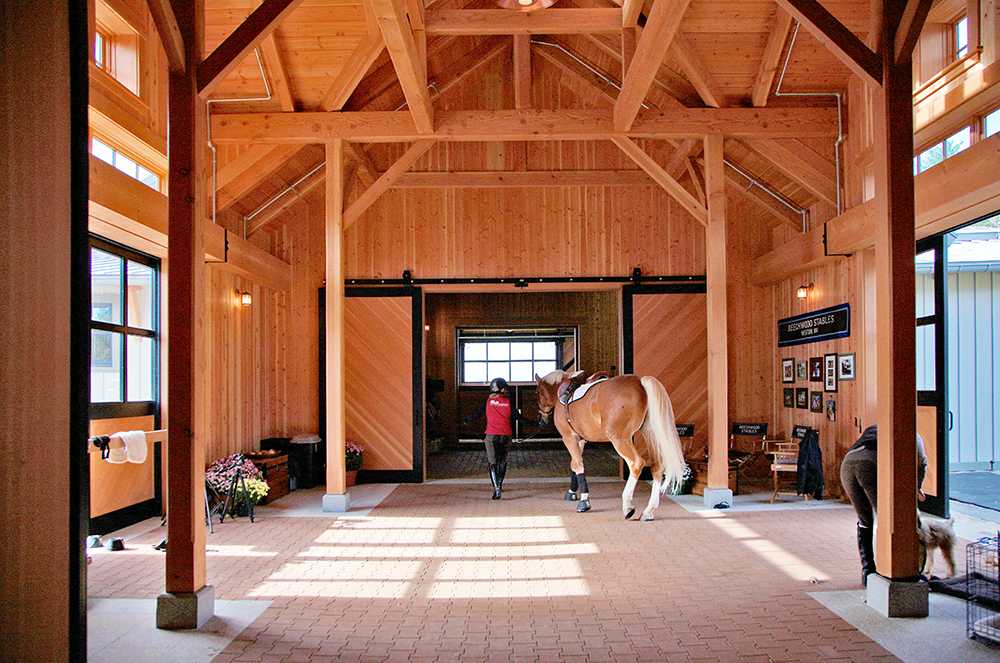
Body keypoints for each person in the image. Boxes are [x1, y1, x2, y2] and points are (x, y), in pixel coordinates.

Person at [840, 424, 928, 586]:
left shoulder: (874, 428)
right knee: (889, 520)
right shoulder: (912, 433)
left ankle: (868, 572)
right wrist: (918, 487)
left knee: (865, 521)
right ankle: (900, 571)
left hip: (847, 464)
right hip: (870, 464)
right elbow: (922, 462)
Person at [464, 378, 538, 499]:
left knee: (492, 463)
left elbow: (476, 415)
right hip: (506, 435)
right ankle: (500, 484)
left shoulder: (487, 402)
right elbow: (520, 418)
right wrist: (536, 424)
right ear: (502, 389)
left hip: (491, 436)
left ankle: (496, 489)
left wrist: (467, 420)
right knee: (502, 462)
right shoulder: (508, 402)